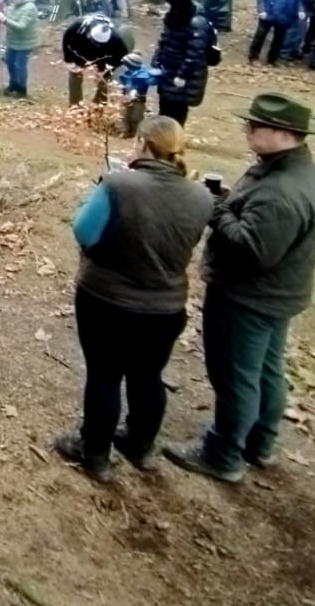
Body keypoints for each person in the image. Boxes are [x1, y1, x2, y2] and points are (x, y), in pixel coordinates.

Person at [165, 94, 315, 483]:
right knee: (267, 370)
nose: (247, 131)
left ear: (284, 133)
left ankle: (223, 454)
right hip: (278, 294)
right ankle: (260, 442)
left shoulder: (280, 192)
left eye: (255, 126)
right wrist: (230, 204)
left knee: (235, 376)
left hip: (248, 297)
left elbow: (253, 250)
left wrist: (218, 210)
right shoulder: (297, 174)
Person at [54, 117, 213, 481]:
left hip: (107, 299)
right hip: (166, 307)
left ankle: (94, 452)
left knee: (105, 376)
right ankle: (140, 445)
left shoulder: (119, 184)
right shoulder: (202, 195)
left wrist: (101, 192)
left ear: (142, 143)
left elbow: (84, 231)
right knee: (148, 376)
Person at [152, 0, 213, 124]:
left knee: (178, 110)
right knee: (165, 104)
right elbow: (163, 41)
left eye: (169, 6)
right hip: (167, 71)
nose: (166, 9)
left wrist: (182, 76)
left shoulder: (197, 23)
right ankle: (163, 130)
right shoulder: (172, 18)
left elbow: (194, 53)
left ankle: (174, 133)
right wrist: (156, 62)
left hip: (185, 76)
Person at [62, 12, 133, 106]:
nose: (96, 45)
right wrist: (68, 59)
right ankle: (75, 104)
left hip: (105, 55)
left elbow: (118, 60)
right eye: (95, 42)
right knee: (75, 74)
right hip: (81, 48)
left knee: (105, 80)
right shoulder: (78, 27)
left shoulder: (117, 40)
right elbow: (66, 40)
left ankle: (99, 103)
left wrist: (106, 71)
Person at [249, 0, 304, 66]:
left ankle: (272, 59)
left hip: (286, 15)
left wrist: (300, 10)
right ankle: (253, 57)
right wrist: (262, 10)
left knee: (279, 38)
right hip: (269, 14)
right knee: (260, 36)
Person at [1, 0, 40, 98]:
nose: (11, 0)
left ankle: (21, 89)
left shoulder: (30, 8)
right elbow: (10, 17)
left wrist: (5, 20)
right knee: (10, 62)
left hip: (25, 43)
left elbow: (22, 26)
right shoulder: (14, 5)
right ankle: (13, 85)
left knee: (19, 65)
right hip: (13, 41)